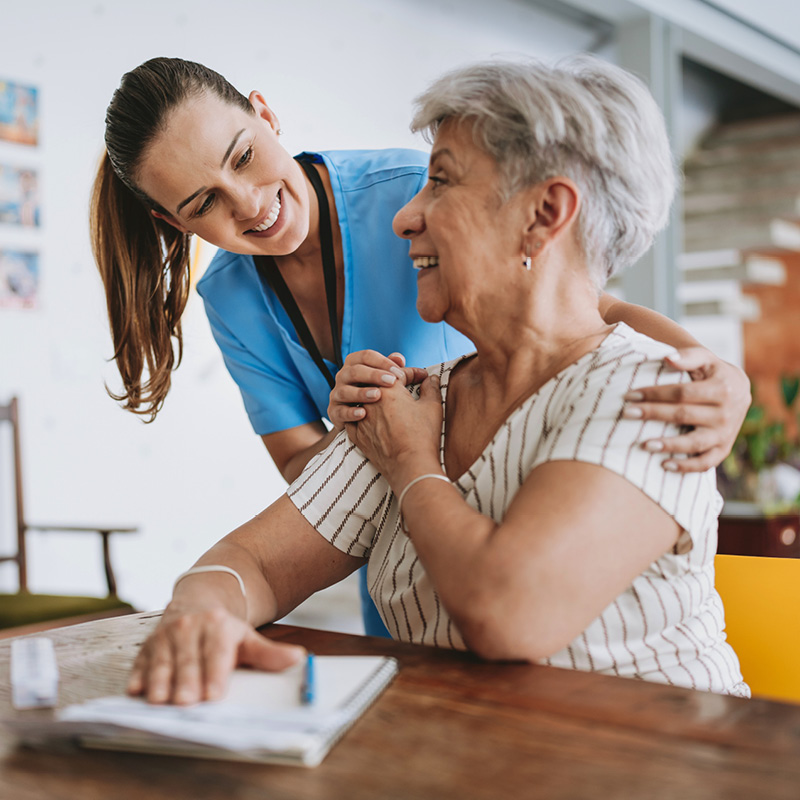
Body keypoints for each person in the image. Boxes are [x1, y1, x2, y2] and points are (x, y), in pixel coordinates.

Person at [128, 56, 749, 705]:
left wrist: (410, 462)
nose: (404, 216)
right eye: (205, 202)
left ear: (544, 214)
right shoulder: (415, 400)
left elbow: (507, 613)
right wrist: (197, 609)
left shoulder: (652, 395)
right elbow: (250, 562)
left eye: (441, 181)